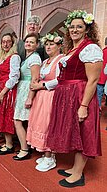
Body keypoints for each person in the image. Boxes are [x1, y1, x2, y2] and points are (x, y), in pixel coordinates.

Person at [46, 10, 102, 188]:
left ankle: (78, 174)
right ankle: (74, 168)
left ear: (87, 29)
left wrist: (84, 105)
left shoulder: (90, 48)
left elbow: (93, 80)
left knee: (83, 132)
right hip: (67, 96)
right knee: (75, 132)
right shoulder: (73, 49)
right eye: (72, 27)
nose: (74, 29)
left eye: (79, 27)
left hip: (79, 95)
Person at [26, 32, 63, 171]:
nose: (48, 47)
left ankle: (50, 157)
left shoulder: (60, 60)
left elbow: (59, 80)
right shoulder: (44, 61)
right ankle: (47, 155)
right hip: (41, 97)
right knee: (40, 124)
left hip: (51, 96)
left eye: (51, 44)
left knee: (48, 125)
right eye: (46, 44)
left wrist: (41, 85)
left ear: (59, 46)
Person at [0, 33, 21, 155]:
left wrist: (2, 92)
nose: (6, 44)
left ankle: (9, 145)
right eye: (3, 42)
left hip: (8, 89)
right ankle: (7, 142)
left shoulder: (14, 57)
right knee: (1, 115)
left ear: (12, 43)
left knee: (6, 115)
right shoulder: (2, 56)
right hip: (0, 88)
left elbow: (14, 77)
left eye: (8, 41)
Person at [13, 33, 42, 161]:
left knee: (18, 120)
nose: (28, 44)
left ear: (37, 45)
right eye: (27, 42)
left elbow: (35, 79)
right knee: (21, 120)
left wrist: (30, 97)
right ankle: (27, 146)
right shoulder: (27, 57)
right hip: (22, 88)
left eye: (31, 42)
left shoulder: (35, 58)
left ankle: (24, 149)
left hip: (27, 90)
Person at [96, 37, 107, 112]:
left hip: (100, 77)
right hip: (104, 78)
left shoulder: (102, 52)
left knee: (98, 97)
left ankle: (97, 111)